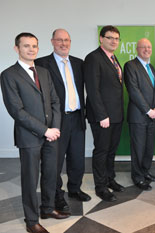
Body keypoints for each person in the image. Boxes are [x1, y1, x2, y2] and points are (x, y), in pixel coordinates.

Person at [1, 32, 69, 233]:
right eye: (26, 46)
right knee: (30, 179)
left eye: (34, 46)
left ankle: (47, 209)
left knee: (50, 174)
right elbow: (16, 111)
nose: (31, 49)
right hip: (29, 136)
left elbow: (55, 100)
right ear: (17, 49)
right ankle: (31, 221)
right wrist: (45, 130)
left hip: (51, 135)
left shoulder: (44, 72)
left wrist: (54, 128)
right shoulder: (8, 75)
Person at [35, 29, 90, 213]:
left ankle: (74, 188)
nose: (63, 43)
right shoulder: (42, 63)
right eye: (59, 40)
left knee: (77, 159)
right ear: (52, 41)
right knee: (54, 162)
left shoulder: (79, 63)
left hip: (77, 118)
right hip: (57, 121)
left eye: (66, 40)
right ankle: (57, 195)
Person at [84, 25, 125, 202]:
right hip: (103, 117)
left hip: (116, 115)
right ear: (101, 38)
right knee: (101, 151)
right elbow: (93, 90)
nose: (113, 41)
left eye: (116, 38)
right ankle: (101, 186)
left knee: (111, 151)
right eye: (110, 38)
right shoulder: (93, 58)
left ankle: (110, 179)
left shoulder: (114, 58)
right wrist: (102, 116)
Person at [124, 38, 155, 191]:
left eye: (149, 47)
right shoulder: (130, 66)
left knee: (148, 148)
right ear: (137, 49)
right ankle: (137, 177)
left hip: (152, 115)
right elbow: (134, 91)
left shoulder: (150, 67)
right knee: (138, 148)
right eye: (143, 47)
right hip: (139, 115)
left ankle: (145, 172)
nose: (147, 50)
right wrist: (148, 110)